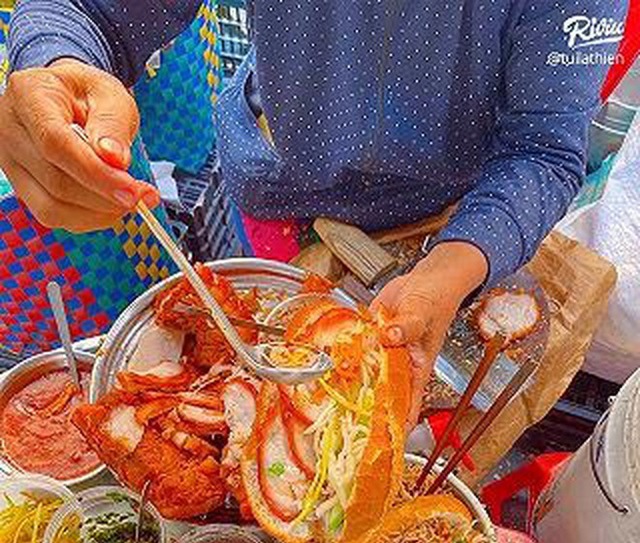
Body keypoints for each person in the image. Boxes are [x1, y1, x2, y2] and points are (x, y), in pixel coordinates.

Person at [0, 0, 628, 422]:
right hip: (268, 181)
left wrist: (453, 269)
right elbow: (89, 12)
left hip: (439, 222)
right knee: (240, 353)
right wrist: (60, 66)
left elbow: (543, 150)